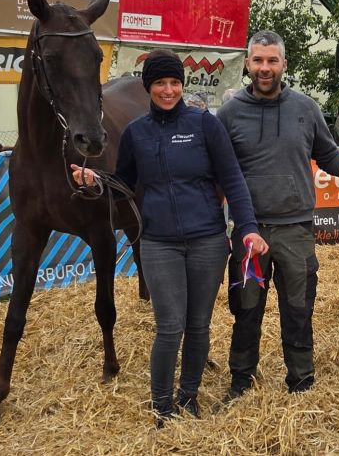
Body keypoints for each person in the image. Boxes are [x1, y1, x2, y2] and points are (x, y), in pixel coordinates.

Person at [70, 50, 268, 426]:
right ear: (148, 87)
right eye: (160, 83)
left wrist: (249, 228)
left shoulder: (205, 125)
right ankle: (162, 406)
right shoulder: (136, 133)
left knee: (198, 325)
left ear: (182, 85)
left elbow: (233, 180)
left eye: (175, 82)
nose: (168, 90)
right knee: (169, 326)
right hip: (159, 243)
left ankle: (188, 397)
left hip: (208, 241)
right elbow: (124, 184)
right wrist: (97, 182)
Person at [215, 30, 339, 401]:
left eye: (272, 60)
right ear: (247, 64)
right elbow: (218, 172)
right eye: (258, 60)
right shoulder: (230, 113)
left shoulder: (305, 108)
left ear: (284, 64)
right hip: (250, 233)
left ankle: (300, 382)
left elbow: (331, 157)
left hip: (295, 230)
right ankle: (241, 382)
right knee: (246, 309)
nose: (264, 68)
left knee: (298, 309)